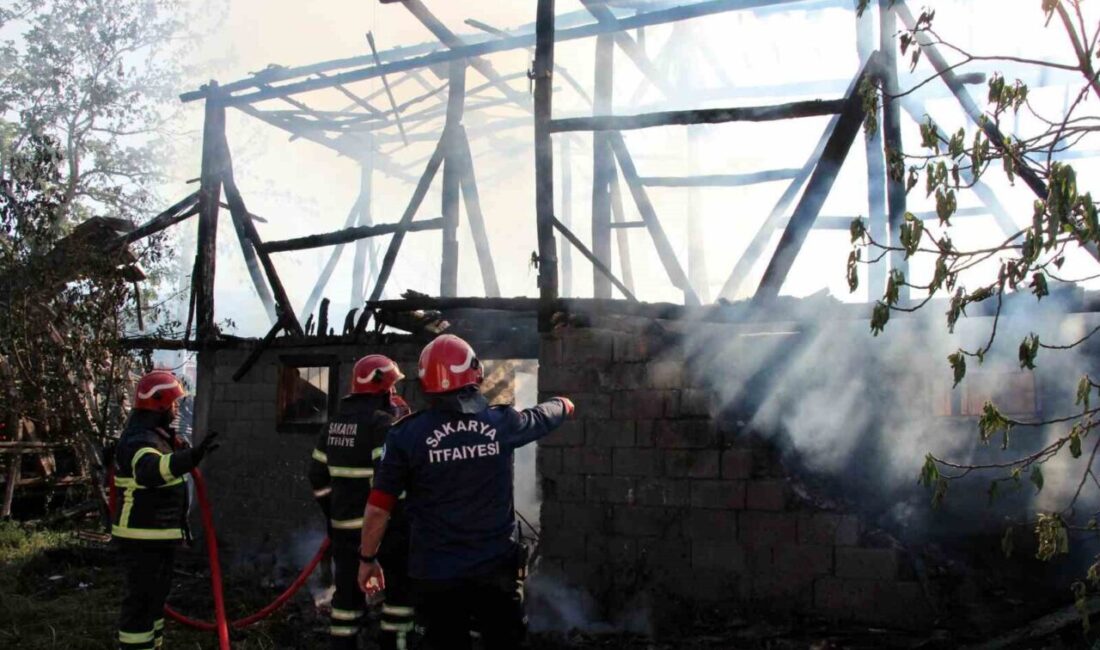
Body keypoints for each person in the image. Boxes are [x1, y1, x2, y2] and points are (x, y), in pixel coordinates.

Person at [357, 334, 575, 650]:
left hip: (435, 576)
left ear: (425, 381)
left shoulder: (405, 435)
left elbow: (378, 506)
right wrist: (564, 404)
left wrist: (367, 559)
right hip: (495, 573)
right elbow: (540, 417)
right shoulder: (501, 423)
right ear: (474, 374)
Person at [308, 355, 413, 650]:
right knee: (398, 595)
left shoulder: (333, 425)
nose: (394, 394)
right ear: (381, 388)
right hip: (382, 530)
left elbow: (316, 475)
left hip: (343, 530)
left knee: (346, 599)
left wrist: (333, 515)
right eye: (392, 388)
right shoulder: (381, 424)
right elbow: (388, 482)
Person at [112, 369, 219, 650]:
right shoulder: (139, 440)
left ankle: (153, 645)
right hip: (141, 535)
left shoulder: (156, 436)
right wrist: (190, 458)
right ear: (158, 404)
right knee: (141, 602)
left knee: (155, 599)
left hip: (158, 535)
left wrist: (180, 450)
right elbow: (150, 471)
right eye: (173, 404)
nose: (176, 409)